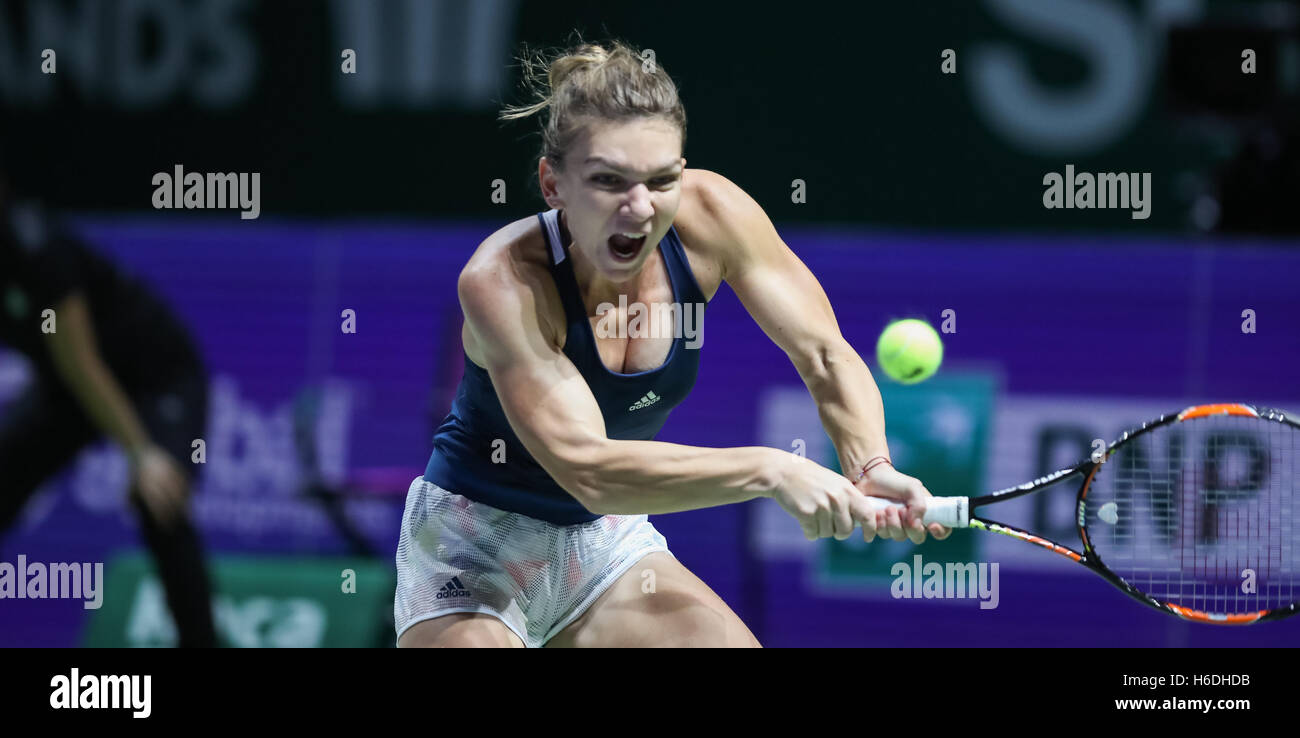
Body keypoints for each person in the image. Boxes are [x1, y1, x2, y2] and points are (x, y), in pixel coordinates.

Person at [395, 40, 950, 648]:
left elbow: (823, 354)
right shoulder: (503, 282)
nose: (639, 208)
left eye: (663, 181)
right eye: (610, 180)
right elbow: (590, 469)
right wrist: (771, 469)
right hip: (474, 548)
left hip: (604, 546)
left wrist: (871, 465)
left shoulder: (713, 216)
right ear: (552, 184)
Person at [0, 174, 218, 647]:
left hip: (156, 374)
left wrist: (142, 454)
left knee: (157, 496)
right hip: (67, 387)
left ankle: (201, 642)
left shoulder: (36, 248)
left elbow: (81, 362)